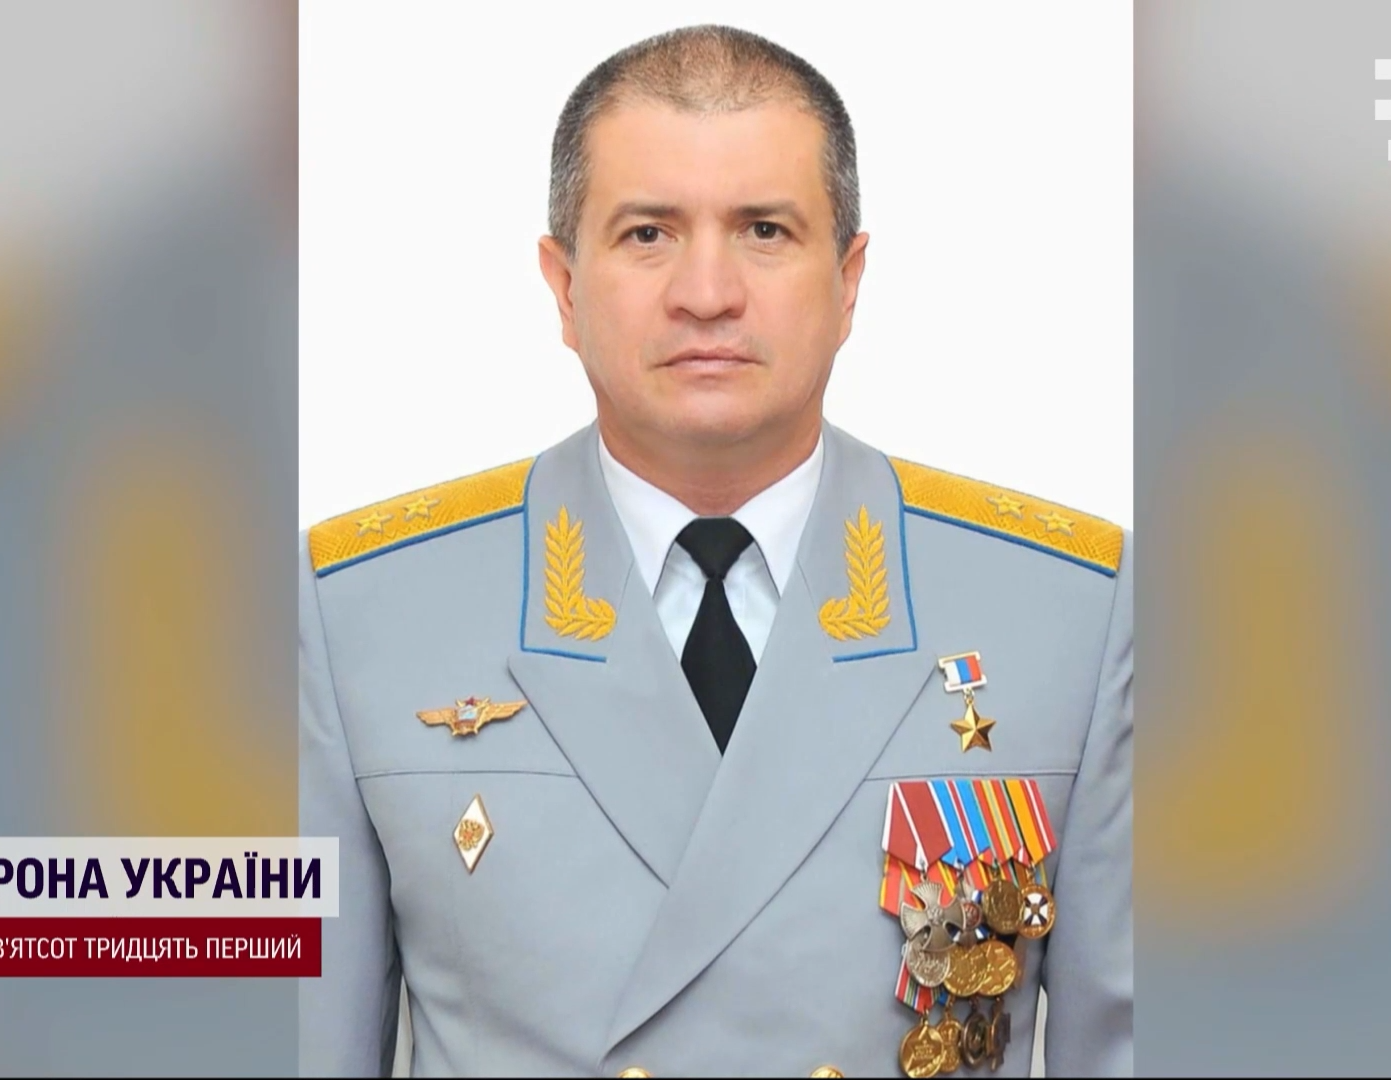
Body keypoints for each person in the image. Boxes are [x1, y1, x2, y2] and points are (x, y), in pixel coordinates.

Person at [300, 25, 1131, 1078]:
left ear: (850, 279)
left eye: (764, 230)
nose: (706, 292)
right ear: (562, 285)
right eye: (647, 233)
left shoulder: (1069, 614)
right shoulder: (357, 617)